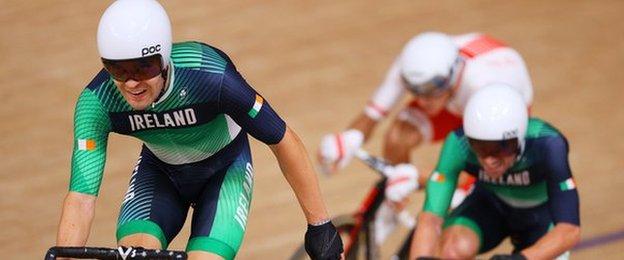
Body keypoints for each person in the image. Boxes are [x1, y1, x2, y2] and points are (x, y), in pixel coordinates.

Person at [55, 1, 342, 259]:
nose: (131, 83)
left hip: (225, 172)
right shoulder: (96, 102)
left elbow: (282, 140)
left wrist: (320, 225)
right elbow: (81, 198)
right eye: (118, 70)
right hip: (160, 174)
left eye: (144, 68)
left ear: (164, 58)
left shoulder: (211, 76)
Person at [317, 31, 534, 242]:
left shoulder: (482, 86)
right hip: (455, 100)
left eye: (432, 89)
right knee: (397, 136)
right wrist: (348, 138)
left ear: (454, 71)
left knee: (464, 196)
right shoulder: (413, 66)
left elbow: (478, 170)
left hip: (494, 113)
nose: (423, 99)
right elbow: (372, 115)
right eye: (415, 90)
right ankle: (391, 209)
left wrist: (417, 176)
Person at [410, 84, 580, 259]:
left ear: (520, 137)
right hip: (490, 205)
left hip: (542, 216)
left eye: (501, 148)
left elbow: (569, 230)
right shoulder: (457, 144)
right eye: (480, 148)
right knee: (453, 250)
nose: (489, 160)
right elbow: (430, 219)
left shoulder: (548, 145)